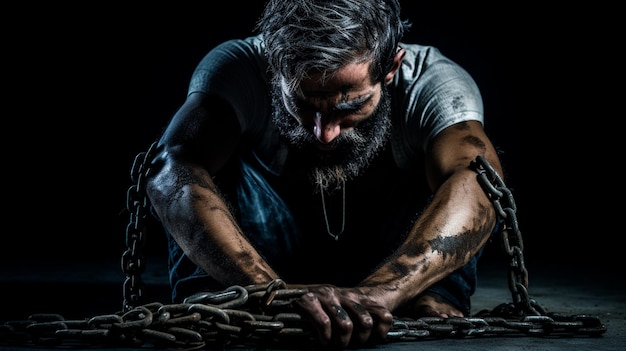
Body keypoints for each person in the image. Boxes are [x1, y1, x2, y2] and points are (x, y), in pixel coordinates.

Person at [145, 0, 505, 348]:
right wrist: (270, 292)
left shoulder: (433, 82)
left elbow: (481, 183)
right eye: (302, 103)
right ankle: (218, 295)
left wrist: (381, 293)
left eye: (350, 105)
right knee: (189, 160)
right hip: (262, 252)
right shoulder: (239, 67)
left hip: (390, 251)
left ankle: (433, 293)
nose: (324, 133)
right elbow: (170, 169)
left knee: (469, 173)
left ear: (391, 67)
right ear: (274, 66)